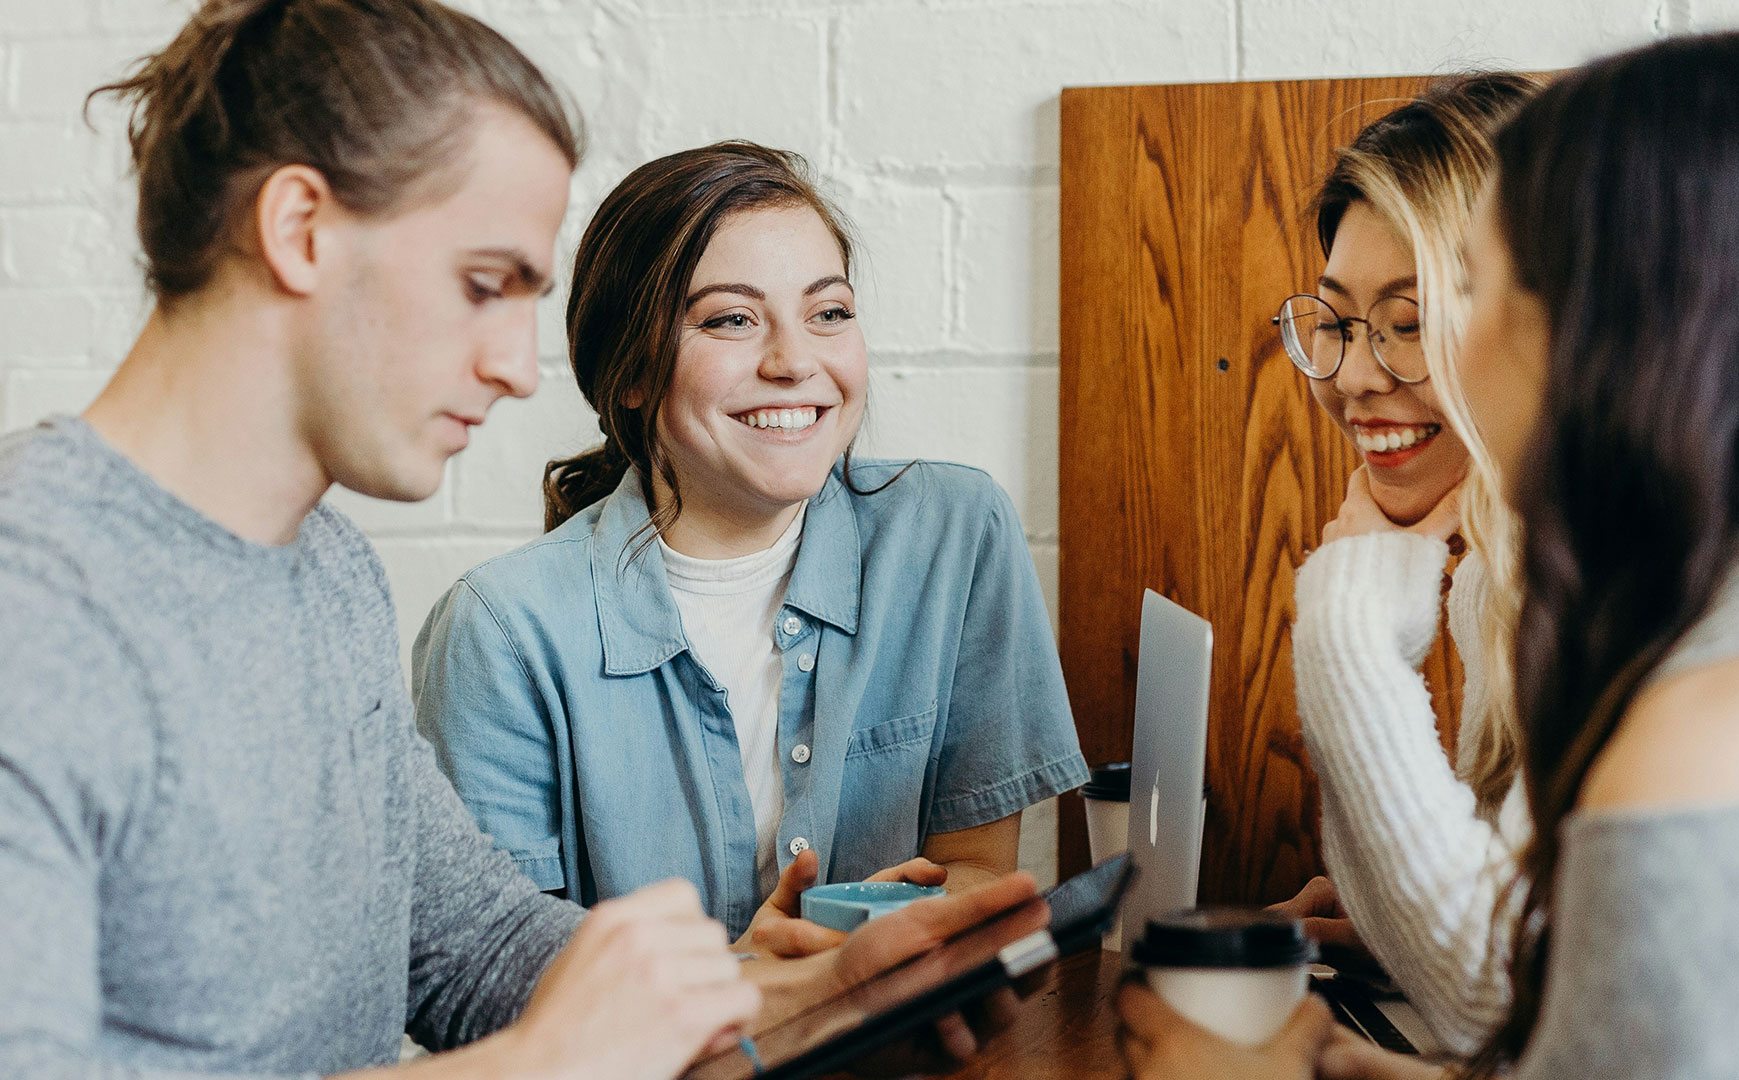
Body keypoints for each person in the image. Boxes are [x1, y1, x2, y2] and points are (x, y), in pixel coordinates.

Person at [0, 3, 1039, 1078]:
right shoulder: (33, 605)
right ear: (300, 229)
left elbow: (475, 950)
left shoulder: (327, 574)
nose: (517, 367)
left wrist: (812, 991)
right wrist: (544, 1065)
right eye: (482, 285)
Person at [1124, 30, 1739, 1080]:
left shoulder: (1727, 716)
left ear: (1616, 324)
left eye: (1476, 291)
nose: (1377, 369)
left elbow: (1521, 996)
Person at [411, 141, 1089, 956]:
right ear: (628, 372)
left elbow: (976, 871)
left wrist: (855, 955)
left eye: (828, 312)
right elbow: (499, 979)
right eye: (732, 319)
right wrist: (755, 983)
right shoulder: (501, 631)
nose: (795, 361)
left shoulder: (954, 534)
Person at [1266, 73, 1539, 1054]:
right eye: (1335, 323)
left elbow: (1492, 998)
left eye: (1411, 322)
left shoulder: (1617, 581)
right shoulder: (1500, 573)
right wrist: (1392, 924)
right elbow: (1520, 964)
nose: (1355, 376)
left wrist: (1345, 622)